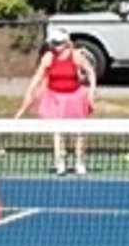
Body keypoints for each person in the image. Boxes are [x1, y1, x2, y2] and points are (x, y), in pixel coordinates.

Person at [19, 25, 98, 175]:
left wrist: (91, 91)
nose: (55, 46)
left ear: (66, 43)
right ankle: (60, 162)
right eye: (53, 43)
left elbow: (90, 72)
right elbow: (38, 76)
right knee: (57, 131)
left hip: (75, 98)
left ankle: (79, 162)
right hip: (54, 98)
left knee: (79, 132)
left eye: (58, 43)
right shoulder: (48, 57)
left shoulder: (76, 56)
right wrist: (30, 91)